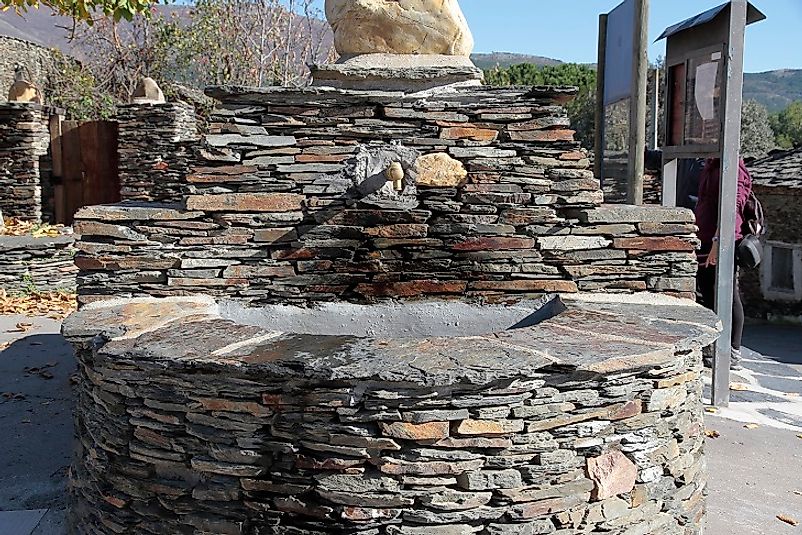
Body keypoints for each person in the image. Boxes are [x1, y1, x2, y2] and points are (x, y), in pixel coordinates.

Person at [695, 157, 753, 370]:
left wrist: (717, 244)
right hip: (705, 239)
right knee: (708, 294)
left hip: (722, 242)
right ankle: (714, 345)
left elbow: (732, 208)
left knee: (728, 296)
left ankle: (733, 352)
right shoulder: (710, 165)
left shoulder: (733, 167)